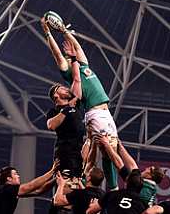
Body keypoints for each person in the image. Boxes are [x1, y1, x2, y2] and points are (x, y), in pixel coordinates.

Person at [41, 16, 120, 191]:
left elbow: (77, 47)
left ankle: (109, 185)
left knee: (111, 149)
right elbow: (57, 55)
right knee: (108, 150)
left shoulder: (83, 65)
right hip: (95, 112)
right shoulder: (70, 74)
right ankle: (113, 189)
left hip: (105, 112)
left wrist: (64, 31)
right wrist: (48, 33)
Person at [39, 52, 86, 214]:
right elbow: (50, 125)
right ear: (56, 96)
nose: (66, 88)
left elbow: (76, 78)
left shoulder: (74, 102)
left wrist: (74, 59)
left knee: (72, 192)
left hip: (76, 154)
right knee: (64, 188)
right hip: (65, 153)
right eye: (61, 88)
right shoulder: (58, 110)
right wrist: (66, 110)